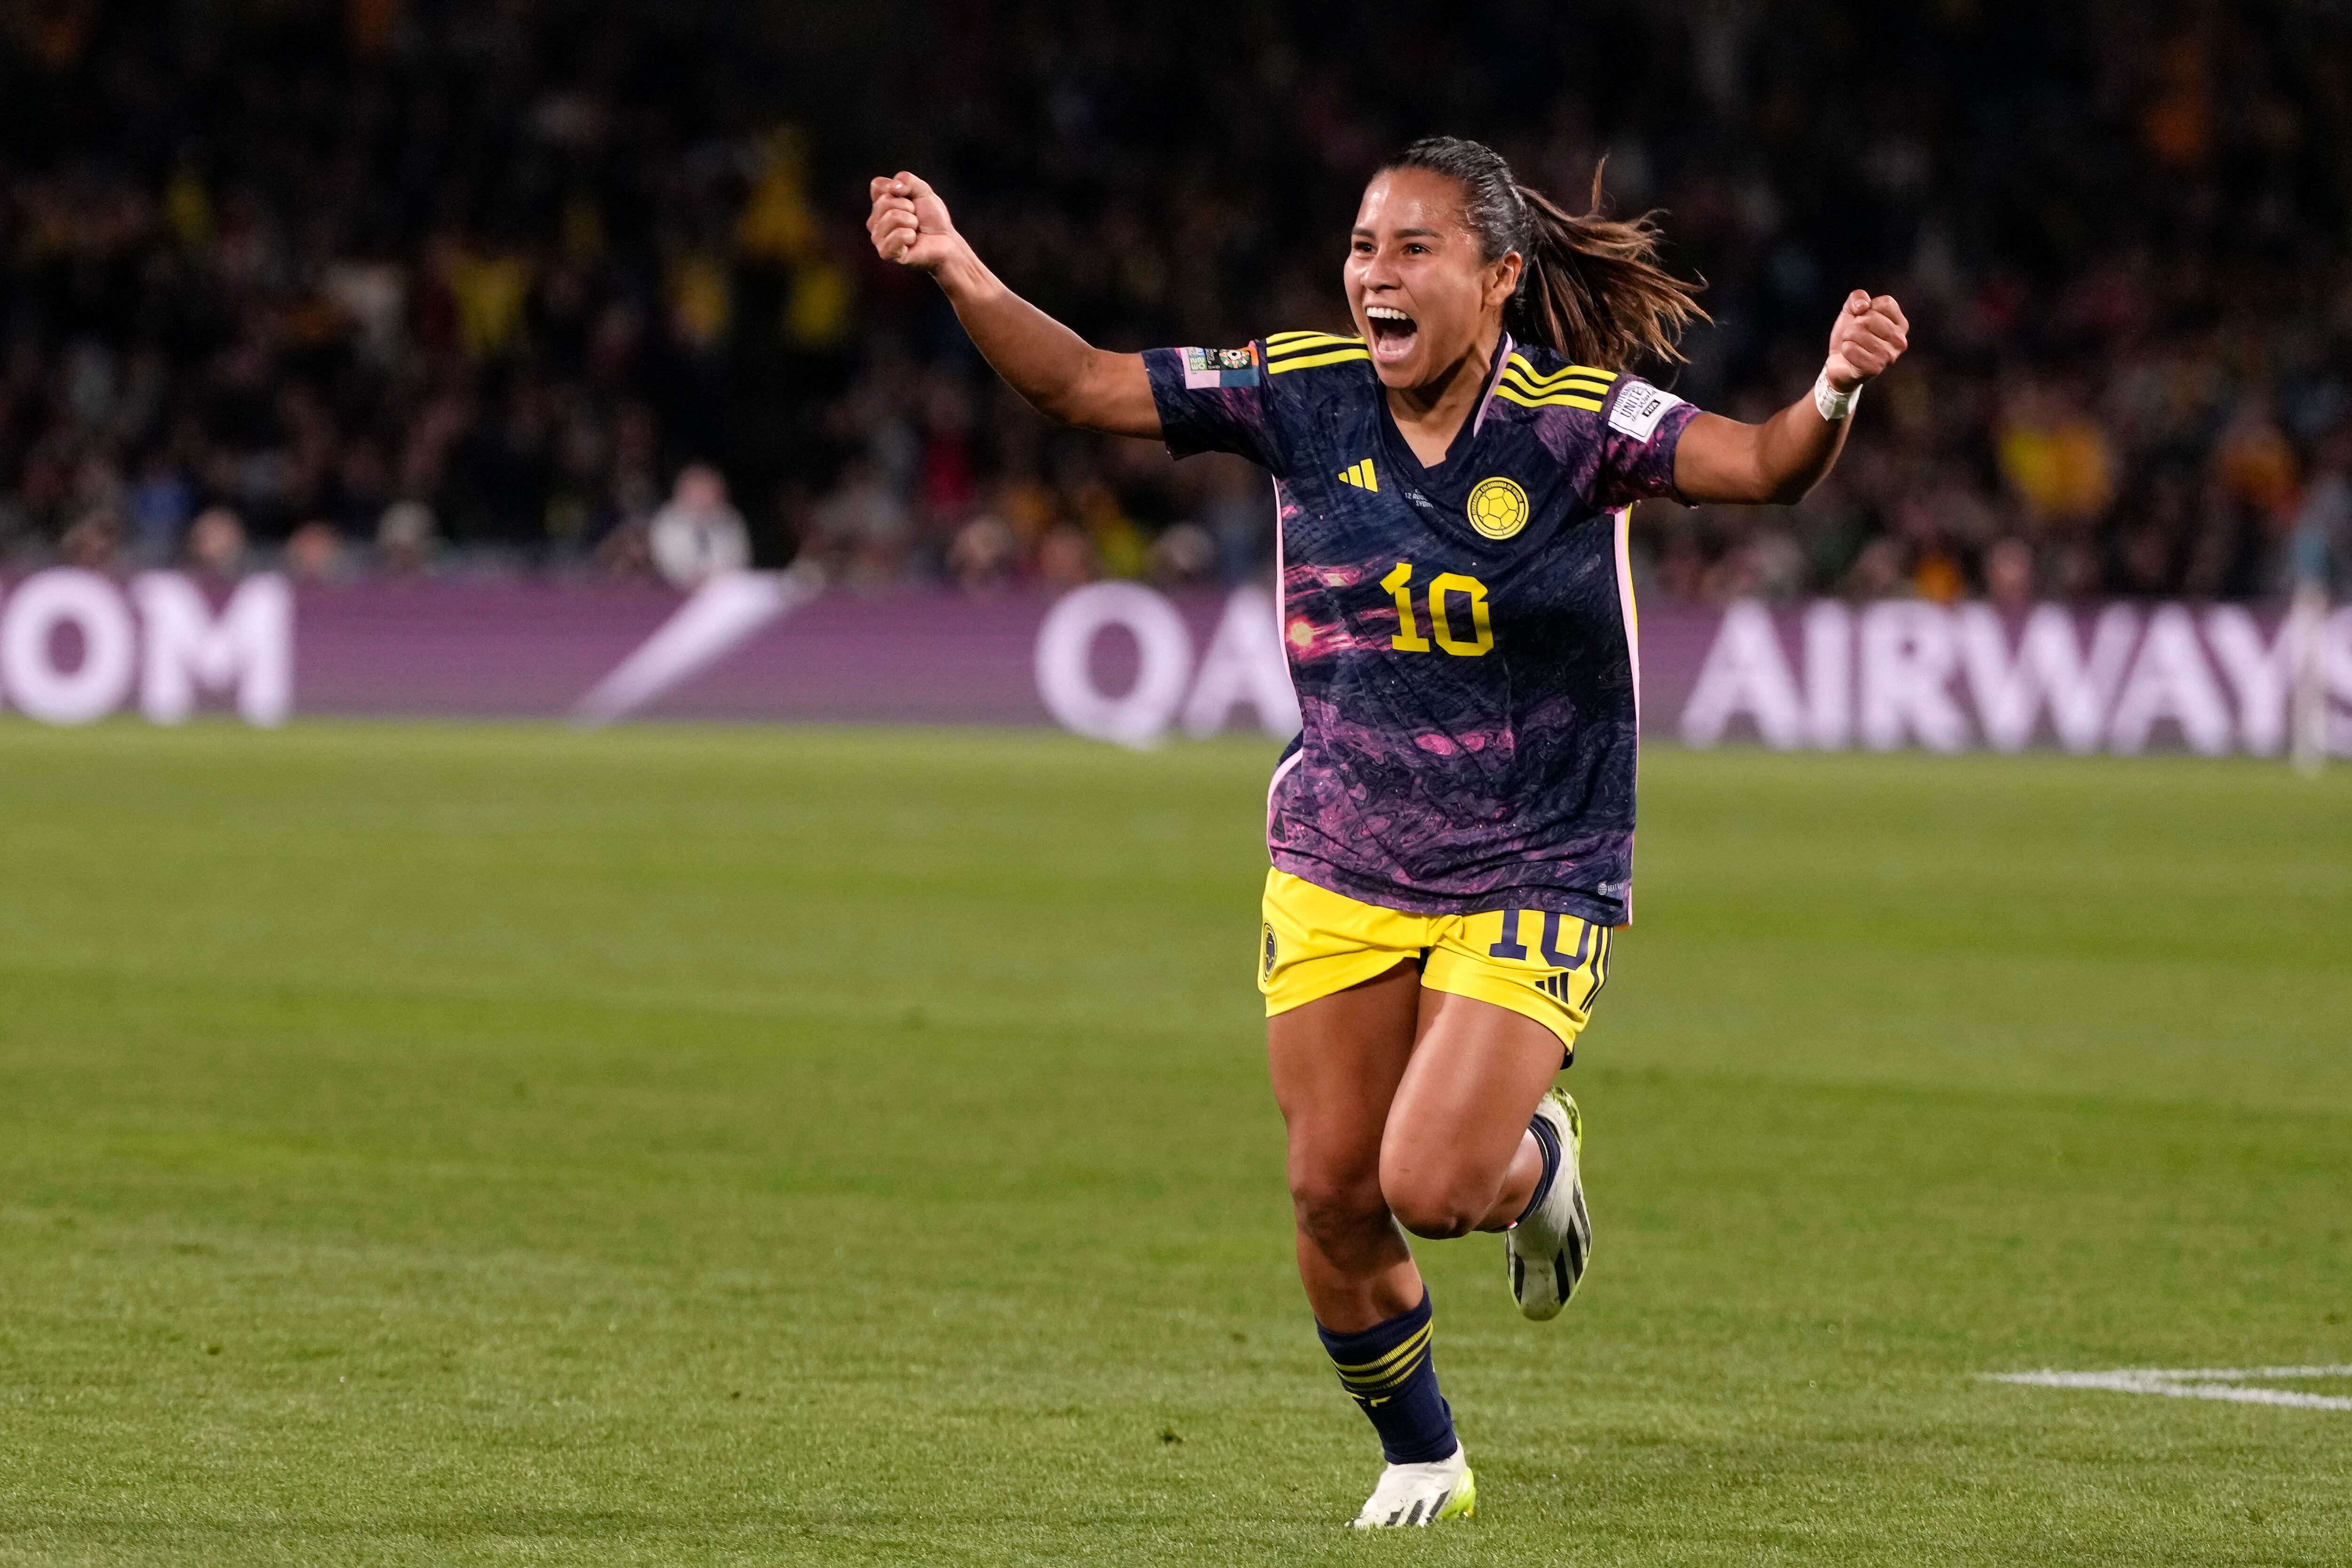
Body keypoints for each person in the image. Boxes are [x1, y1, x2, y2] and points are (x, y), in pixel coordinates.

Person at [868, 136, 1907, 1528]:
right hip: (1343, 849)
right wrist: (955, 266)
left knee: (1434, 1181)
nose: (1376, 275)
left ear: (1498, 278)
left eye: (1413, 249)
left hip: (1537, 855)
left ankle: (1536, 1159)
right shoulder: (1300, 393)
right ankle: (1424, 1456)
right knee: (1329, 1194)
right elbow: (1077, 386)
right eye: (1364, 249)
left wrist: (1831, 388)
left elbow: (1767, 467)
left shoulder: (1576, 419)